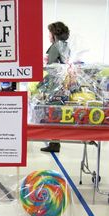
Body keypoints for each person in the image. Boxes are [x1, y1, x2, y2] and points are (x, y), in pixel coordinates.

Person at [41, 21, 70, 153]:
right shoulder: (65, 46)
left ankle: (54, 143)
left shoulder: (55, 47)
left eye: (49, 33)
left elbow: (51, 67)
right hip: (64, 84)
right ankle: (55, 142)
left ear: (54, 34)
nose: (48, 36)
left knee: (53, 113)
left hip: (55, 85)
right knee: (57, 113)